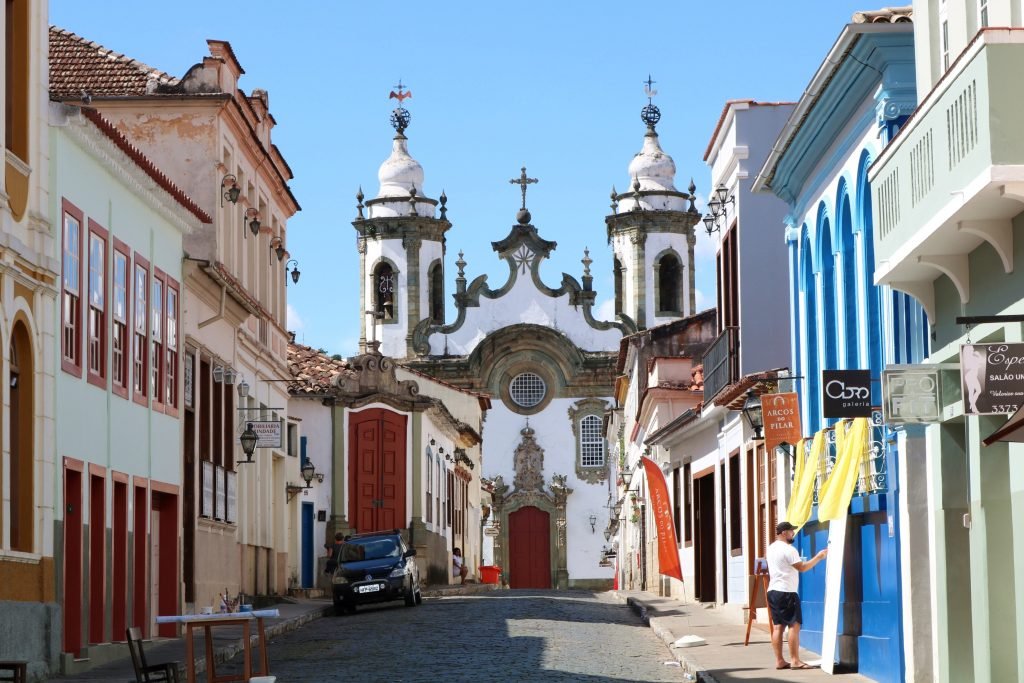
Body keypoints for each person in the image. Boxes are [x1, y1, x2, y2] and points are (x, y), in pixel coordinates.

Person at [767, 521, 828, 670]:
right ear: (783, 533)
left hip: (773, 591)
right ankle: (795, 661)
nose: (793, 533)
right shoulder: (789, 549)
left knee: (778, 627)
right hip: (786, 592)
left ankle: (780, 661)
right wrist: (819, 557)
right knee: (794, 625)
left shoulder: (770, 548)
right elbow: (802, 567)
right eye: (791, 531)